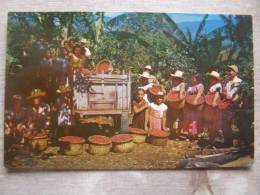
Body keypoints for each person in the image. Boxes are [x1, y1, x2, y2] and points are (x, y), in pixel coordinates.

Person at [220, 65, 242, 147]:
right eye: (228, 70)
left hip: (234, 106)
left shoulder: (238, 82)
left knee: (232, 124)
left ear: (236, 72)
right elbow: (224, 93)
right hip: (226, 105)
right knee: (224, 124)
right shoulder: (227, 81)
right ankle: (227, 142)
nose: (229, 72)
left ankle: (234, 143)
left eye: (231, 70)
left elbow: (230, 95)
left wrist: (225, 93)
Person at [203, 71, 222, 145]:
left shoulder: (218, 85)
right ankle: (210, 139)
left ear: (215, 79)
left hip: (213, 106)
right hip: (208, 105)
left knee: (214, 122)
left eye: (211, 78)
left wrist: (214, 101)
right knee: (209, 122)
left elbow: (217, 94)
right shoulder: (211, 85)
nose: (210, 79)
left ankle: (212, 140)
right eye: (210, 78)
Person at [183, 74, 205, 139]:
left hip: (198, 103)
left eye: (194, 78)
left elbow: (200, 93)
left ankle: (195, 133)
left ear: (197, 79)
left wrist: (195, 100)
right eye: (192, 78)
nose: (192, 79)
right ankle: (190, 133)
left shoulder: (200, 85)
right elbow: (187, 93)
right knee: (189, 118)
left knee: (196, 118)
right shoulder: (190, 85)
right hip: (189, 103)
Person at [166, 70, 186, 138]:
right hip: (173, 105)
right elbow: (169, 93)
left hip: (179, 105)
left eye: (176, 78)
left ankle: (178, 133)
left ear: (180, 79)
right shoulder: (174, 85)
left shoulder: (182, 84)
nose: (175, 79)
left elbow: (181, 96)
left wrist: (181, 97)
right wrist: (167, 98)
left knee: (180, 119)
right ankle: (173, 133)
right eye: (174, 78)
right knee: (172, 119)